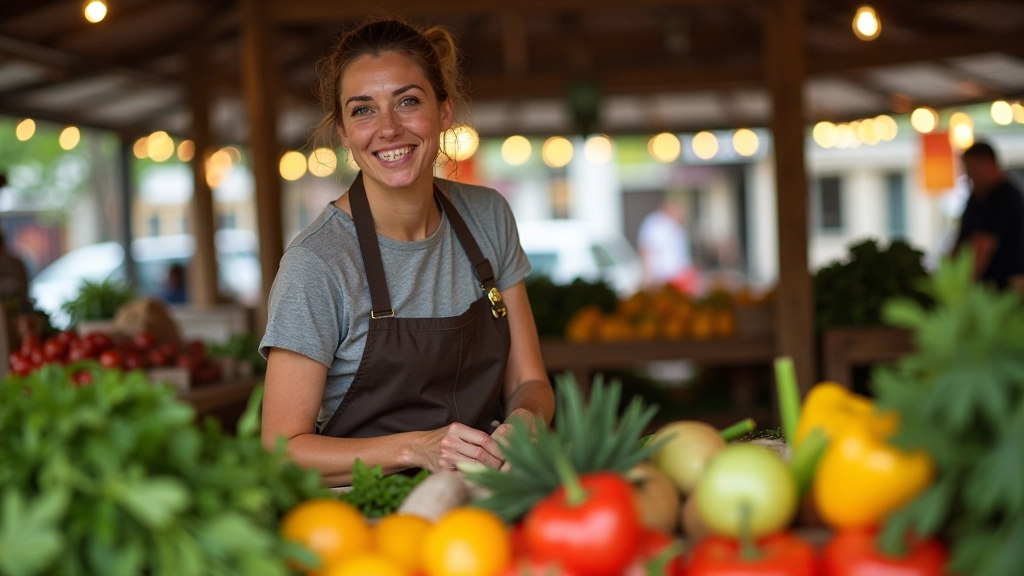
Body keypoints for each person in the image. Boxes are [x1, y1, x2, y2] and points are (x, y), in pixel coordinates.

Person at [259, 19, 555, 487]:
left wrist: (525, 422)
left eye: (408, 101)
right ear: (343, 131)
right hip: (365, 520)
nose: (388, 129)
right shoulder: (316, 264)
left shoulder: (488, 217)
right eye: (363, 111)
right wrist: (415, 447)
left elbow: (530, 382)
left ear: (444, 111)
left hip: (486, 496)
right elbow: (282, 451)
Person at [952, 141, 1024, 289]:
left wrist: (960, 288)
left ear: (986, 164)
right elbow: (961, 241)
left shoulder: (1003, 197)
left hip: (1000, 289)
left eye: (971, 170)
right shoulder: (978, 196)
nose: (969, 176)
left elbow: (982, 248)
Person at [638, 194, 696, 293]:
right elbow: (646, 249)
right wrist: (647, 276)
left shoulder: (674, 224)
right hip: (664, 278)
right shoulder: (657, 223)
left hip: (679, 276)